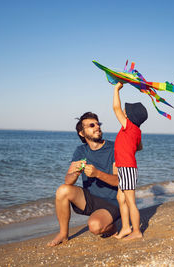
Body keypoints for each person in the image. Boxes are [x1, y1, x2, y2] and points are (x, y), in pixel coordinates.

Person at [47, 112, 120, 247]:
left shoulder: (114, 147)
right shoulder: (81, 151)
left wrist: (97, 174)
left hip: (113, 201)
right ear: (82, 133)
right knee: (62, 190)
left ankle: (112, 227)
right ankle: (63, 234)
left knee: (95, 227)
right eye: (92, 125)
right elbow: (68, 181)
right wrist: (75, 173)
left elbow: (119, 181)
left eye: (98, 124)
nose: (97, 127)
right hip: (90, 199)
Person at [112, 82, 148, 240]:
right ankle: (126, 227)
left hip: (127, 167)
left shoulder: (128, 126)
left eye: (126, 109)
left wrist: (116, 89)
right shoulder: (136, 131)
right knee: (120, 198)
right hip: (124, 167)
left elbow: (115, 108)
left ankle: (136, 231)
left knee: (130, 201)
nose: (123, 110)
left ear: (129, 116)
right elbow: (139, 147)